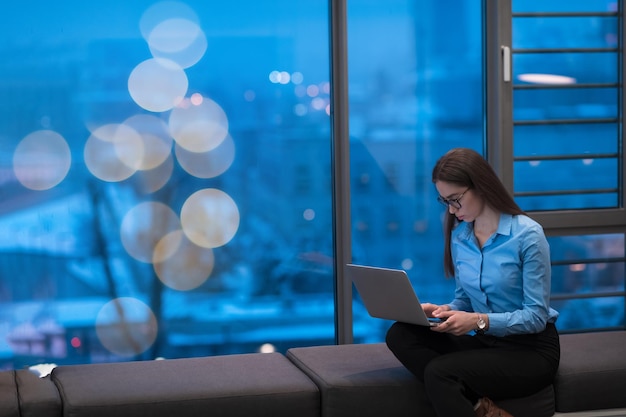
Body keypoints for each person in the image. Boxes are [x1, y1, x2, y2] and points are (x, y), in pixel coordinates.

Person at [385, 148, 560, 417]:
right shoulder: (461, 236)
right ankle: (481, 407)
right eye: (445, 202)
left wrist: (479, 321)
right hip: (486, 344)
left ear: (480, 185)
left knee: (439, 372)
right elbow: (464, 300)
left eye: (456, 200)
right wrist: (442, 311)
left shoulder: (527, 235)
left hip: (530, 351)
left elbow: (536, 316)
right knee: (400, 334)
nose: (453, 211)